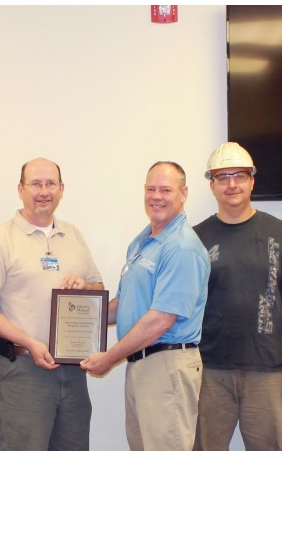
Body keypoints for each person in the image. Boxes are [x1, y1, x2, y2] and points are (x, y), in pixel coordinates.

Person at [0, 157, 103, 451]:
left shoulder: (73, 234)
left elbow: (98, 290)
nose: (44, 192)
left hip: (73, 371)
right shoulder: (0, 239)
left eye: (50, 184)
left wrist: (84, 287)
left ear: (61, 189)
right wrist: (30, 343)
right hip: (23, 371)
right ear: (21, 189)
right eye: (36, 184)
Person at [82, 161, 210, 451]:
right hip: (141, 364)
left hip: (167, 365)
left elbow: (161, 320)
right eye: (151, 189)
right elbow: (122, 305)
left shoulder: (181, 247)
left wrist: (109, 358)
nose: (156, 196)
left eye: (166, 190)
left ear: (183, 194)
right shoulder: (142, 242)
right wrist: (76, 311)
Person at [192, 143, 282, 451]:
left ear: (252, 181)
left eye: (240, 176)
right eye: (223, 177)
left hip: (267, 369)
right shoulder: (195, 239)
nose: (232, 184)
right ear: (212, 185)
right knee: (204, 452)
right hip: (208, 369)